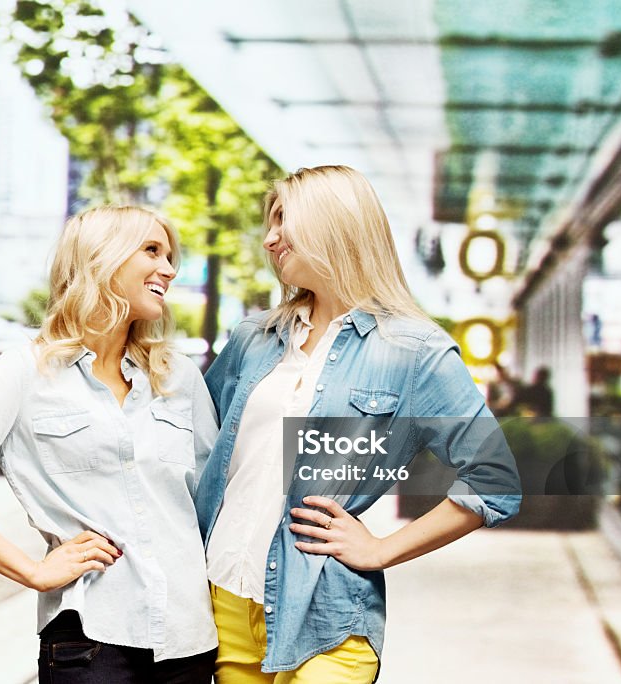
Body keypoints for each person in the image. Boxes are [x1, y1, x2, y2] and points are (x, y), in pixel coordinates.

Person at [197, 165, 521, 682]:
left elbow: (494, 481)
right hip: (224, 603)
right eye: (270, 222)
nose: (269, 238)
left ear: (333, 226)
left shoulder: (415, 352)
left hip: (327, 615)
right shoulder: (253, 338)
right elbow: (196, 449)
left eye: (284, 221)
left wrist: (381, 550)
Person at [0, 206, 218, 683]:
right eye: (152, 251)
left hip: (189, 641)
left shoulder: (178, 378)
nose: (169, 269)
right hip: (91, 640)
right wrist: (32, 571)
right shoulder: (25, 371)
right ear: (102, 258)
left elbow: (212, 501)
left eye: (170, 255)